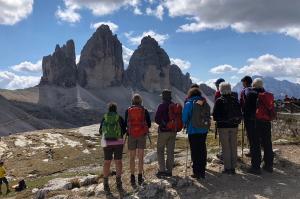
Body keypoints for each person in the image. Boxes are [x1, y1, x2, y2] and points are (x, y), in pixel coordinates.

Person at [213, 82, 242, 174]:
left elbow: (215, 116)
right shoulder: (235, 99)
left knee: (226, 147)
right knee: (233, 146)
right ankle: (233, 167)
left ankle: (227, 168)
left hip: (223, 127)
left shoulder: (219, 100)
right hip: (234, 126)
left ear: (221, 90)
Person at [248, 78, 275, 174]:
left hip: (255, 122)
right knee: (267, 143)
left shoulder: (251, 94)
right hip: (267, 121)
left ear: (253, 85)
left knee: (255, 144)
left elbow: (247, 109)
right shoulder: (267, 95)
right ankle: (269, 165)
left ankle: (256, 167)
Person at [182, 88, 211, 179]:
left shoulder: (189, 103)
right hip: (204, 130)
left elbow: (184, 118)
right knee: (202, 149)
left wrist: (185, 124)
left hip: (193, 130)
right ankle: (202, 172)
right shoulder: (204, 103)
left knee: (195, 151)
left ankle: (196, 172)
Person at [155, 90, 183, 178]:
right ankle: (169, 171)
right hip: (173, 131)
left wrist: (163, 124)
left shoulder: (161, 106)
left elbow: (157, 119)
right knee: (170, 151)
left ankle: (162, 170)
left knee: (160, 150)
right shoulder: (174, 105)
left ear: (163, 97)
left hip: (163, 131)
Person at [99, 103, 126, 193]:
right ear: (116, 109)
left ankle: (105, 183)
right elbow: (124, 130)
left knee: (107, 162)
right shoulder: (119, 117)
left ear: (109, 109)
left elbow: (100, 131)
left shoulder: (105, 117)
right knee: (118, 161)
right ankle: (118, 182)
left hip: (107, 143)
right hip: (118, 142)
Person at [125, 94, 151, 186]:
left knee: (132, 157)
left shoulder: (128, 110)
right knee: (140, 157)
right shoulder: (144, 110)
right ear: (141, 101)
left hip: (131, 135)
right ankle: (140, 177)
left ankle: (132, 178)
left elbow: (126, 124)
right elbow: (149, 124)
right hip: (141, 135)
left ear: (132, 101)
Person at [240, 76, 254, 157]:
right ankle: (256, 150)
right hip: (257, 116)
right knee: (256, 134)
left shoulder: (243, 91)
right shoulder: (255, 90)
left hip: (247, 116)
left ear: (245, 82)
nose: (242, 84)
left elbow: (241, 104)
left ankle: (252, 151)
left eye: (243, 82)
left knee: (249, 134)